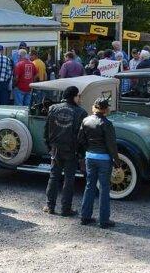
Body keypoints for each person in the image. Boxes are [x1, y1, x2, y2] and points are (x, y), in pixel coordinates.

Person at [44, 85, 86, 216]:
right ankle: (65, 209)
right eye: (78, 96)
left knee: (53, 177)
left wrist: (50, 148)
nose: (80, 98)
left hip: (56, 149)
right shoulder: (81, 113)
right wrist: (81, 153)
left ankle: (50, 206)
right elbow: (82, 136)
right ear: (73, 96)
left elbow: (46, 131)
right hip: (71, 151)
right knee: (69, 179)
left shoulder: (52, 109)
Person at [78, 96, 117, 228]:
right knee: (104, 189)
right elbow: (111, 145)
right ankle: (104, 220)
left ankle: (85, 216)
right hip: (104, 159)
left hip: (90, 156)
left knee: (89, 186)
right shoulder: (107, 124)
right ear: (106, 109)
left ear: (94, 107)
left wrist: (87, 151)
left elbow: (81, 139)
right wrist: (116, 161)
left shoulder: (86, 120)